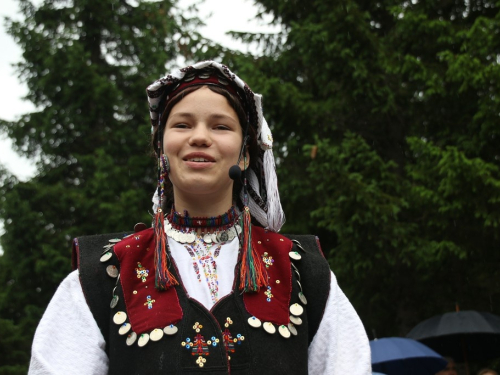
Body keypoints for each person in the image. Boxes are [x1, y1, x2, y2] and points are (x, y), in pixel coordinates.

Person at [28, 61, 370, 374]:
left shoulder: (302, 269)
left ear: (246, 154)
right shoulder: (102, 274)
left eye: (221, 126)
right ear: (162, 148)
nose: (200, 137)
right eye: (182, 124)